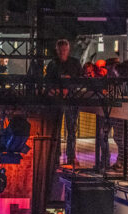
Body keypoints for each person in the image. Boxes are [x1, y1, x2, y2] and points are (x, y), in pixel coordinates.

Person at [45, 39, 82, 167]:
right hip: (58, 100)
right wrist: (54, 90)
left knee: (71, 129)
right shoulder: (52, 64)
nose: (62, 52)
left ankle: (70, 156)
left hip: (71, 99)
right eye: (61, 50)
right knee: (57, 129)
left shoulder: (74, 63)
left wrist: (68, 87)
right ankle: (56, 156)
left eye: (64, 50)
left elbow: (80, 80)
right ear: (57, 50)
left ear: (68, 50)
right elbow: (47, 82)